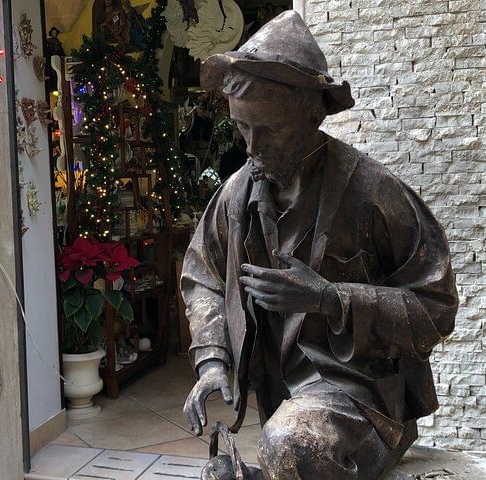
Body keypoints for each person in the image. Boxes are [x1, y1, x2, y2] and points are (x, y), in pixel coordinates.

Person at [180, 11, 459, 480]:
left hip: (361, 395)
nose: (251, 146)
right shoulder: (238, 194)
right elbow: (202, 273)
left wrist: (331, 299)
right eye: (242, 128)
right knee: (263, 452)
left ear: (312, 115)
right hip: (284, 396)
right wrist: (212, 361)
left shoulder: (374, 193)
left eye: (269, 129)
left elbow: (437, 308)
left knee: (288, 444)